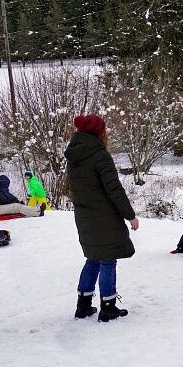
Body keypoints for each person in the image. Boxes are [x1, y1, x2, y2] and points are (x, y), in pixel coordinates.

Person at [65, 114, 139, 322]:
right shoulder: (99, 155)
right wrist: (130, 215)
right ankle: (108, 308)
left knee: (93, 260)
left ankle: (83, 306)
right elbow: (114, 189)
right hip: (103, 217)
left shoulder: (74, 156)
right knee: (107, 261)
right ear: (99, 132)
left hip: (84, 216)